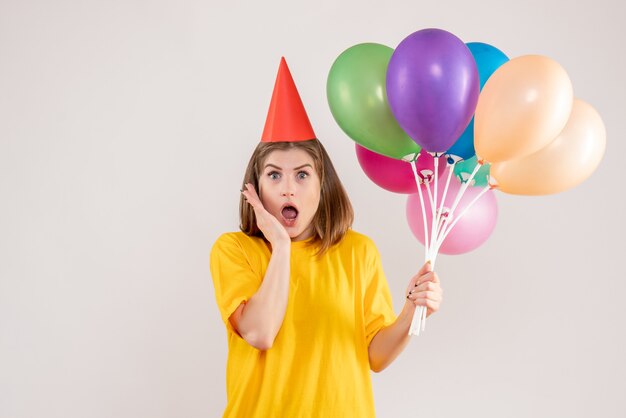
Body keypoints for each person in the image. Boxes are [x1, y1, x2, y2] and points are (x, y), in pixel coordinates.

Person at [210, 57, 443, 418]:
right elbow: (260, 333)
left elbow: (376, 356)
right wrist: (282, 247)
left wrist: (412, 310)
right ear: (254, 187)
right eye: (274, 176)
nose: (288, 189)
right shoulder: (234, 250)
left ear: (323, 185)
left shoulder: (358, 251)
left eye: (302, 175)